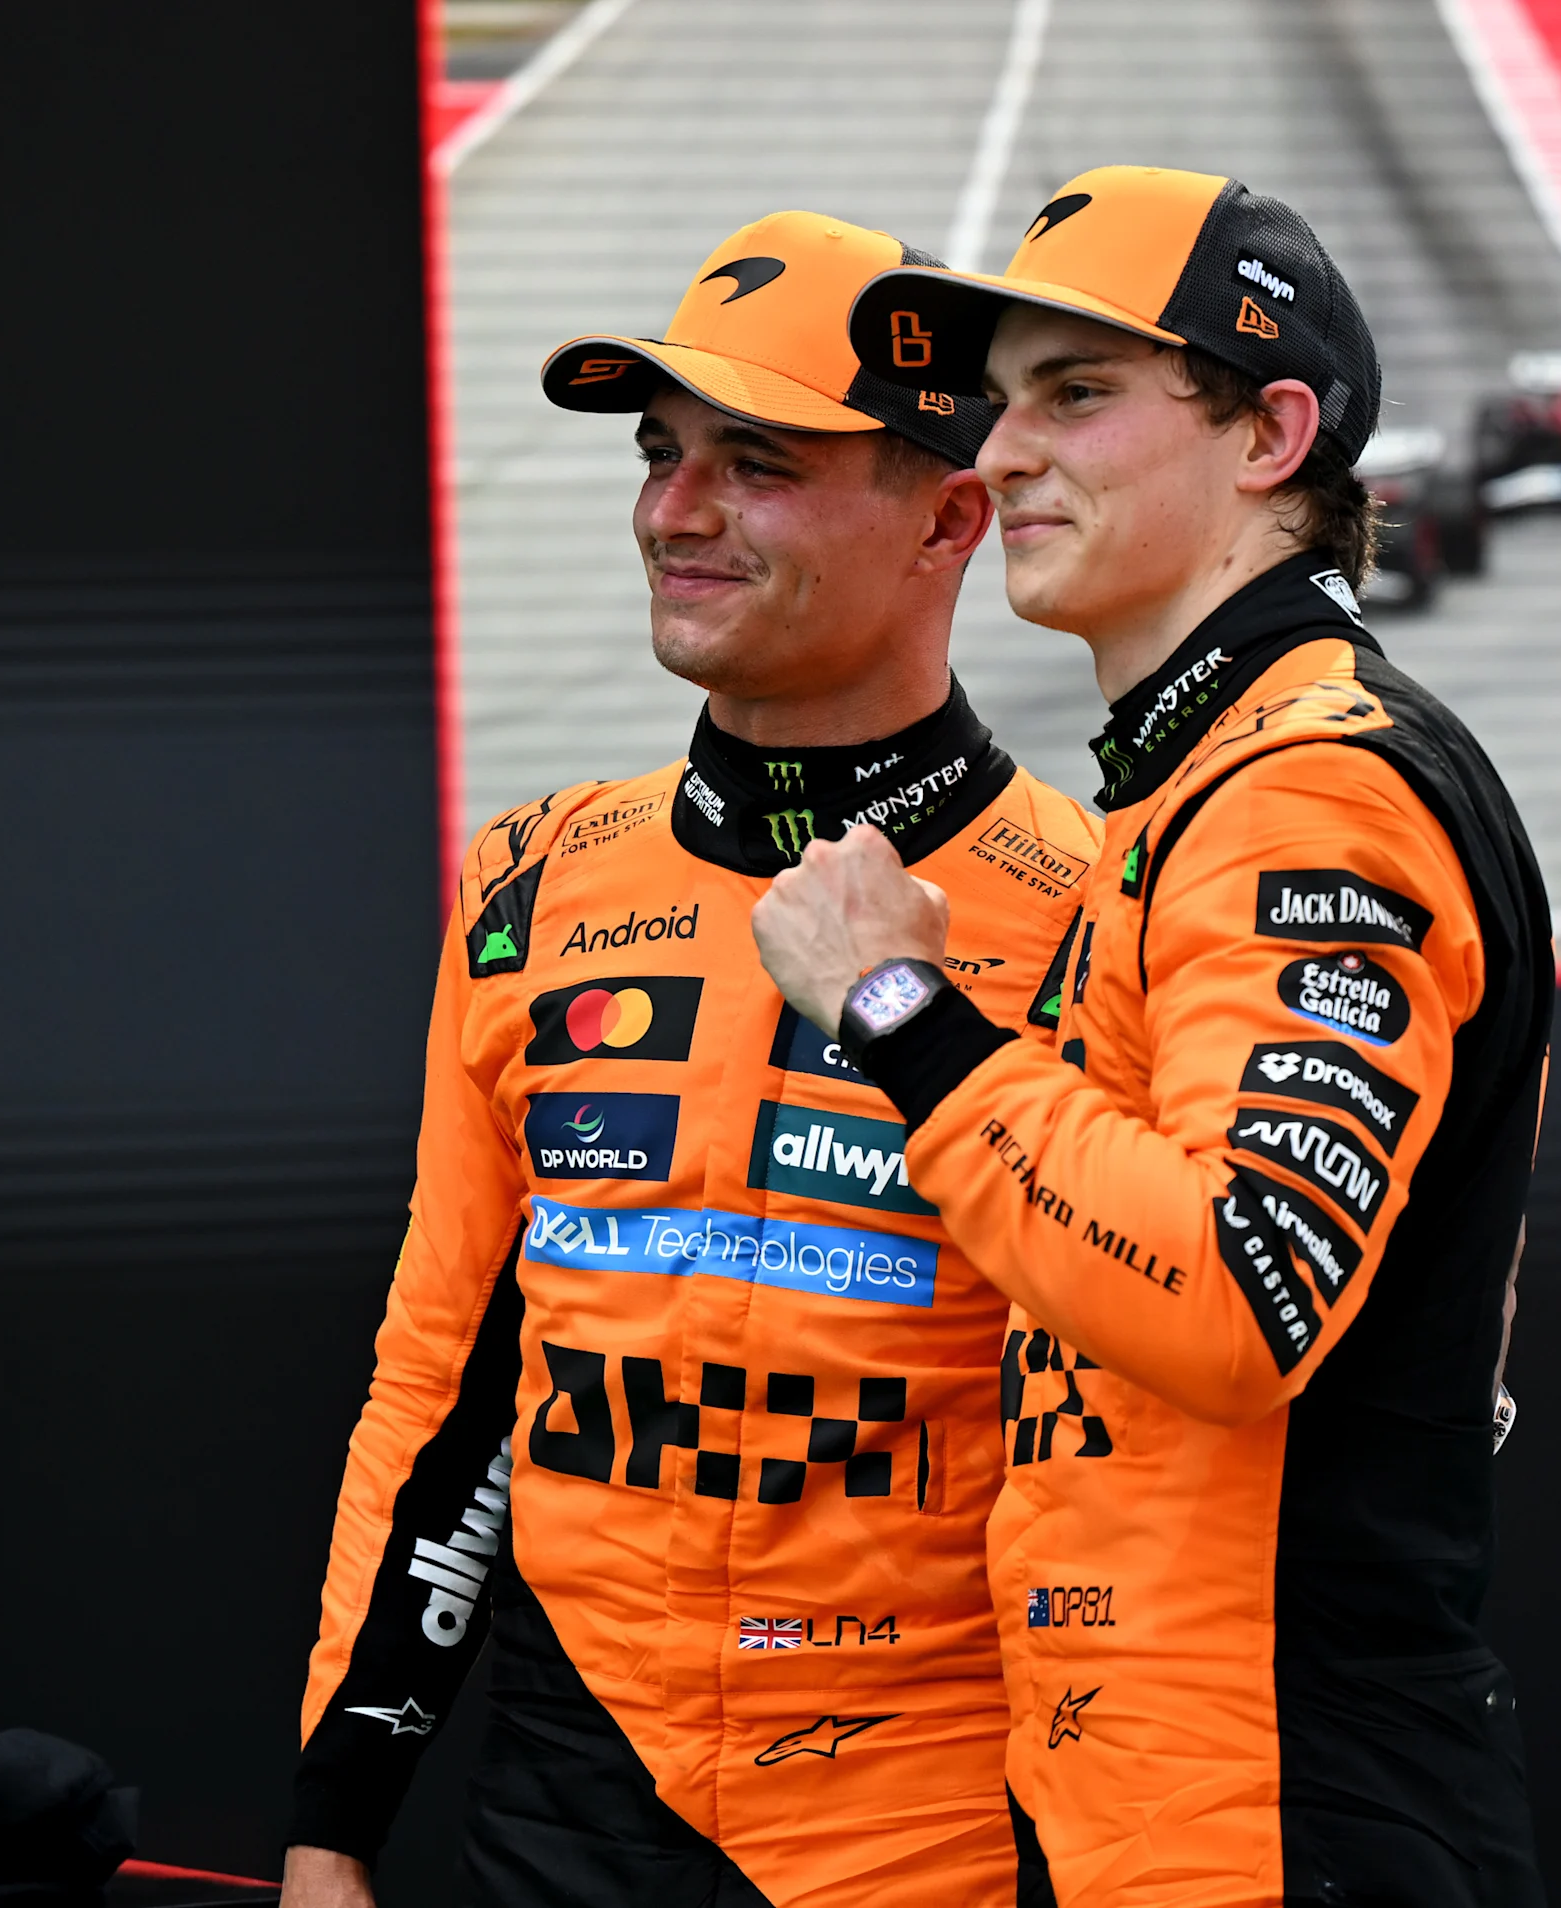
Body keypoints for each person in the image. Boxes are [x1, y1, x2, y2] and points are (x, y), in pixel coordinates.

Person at [752, 166, 1557, 1907]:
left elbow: (1231, 1294)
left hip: (1272, 1799)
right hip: (1189, 1792)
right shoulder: (1209, 785)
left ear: (1272, 434)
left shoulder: (1310, 791)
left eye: (1078, 395)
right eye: (998, 403)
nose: (1000, 456)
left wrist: (896, 1009)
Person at [284, 210, 1102, 1908]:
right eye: (662, 456)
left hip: (938, 1827)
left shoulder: (1094, 906)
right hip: (565, 1815)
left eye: (760, 462)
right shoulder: (534, 876)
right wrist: (335, 1819)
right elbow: (446, 1381)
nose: (674, 510)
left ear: (952, 516)